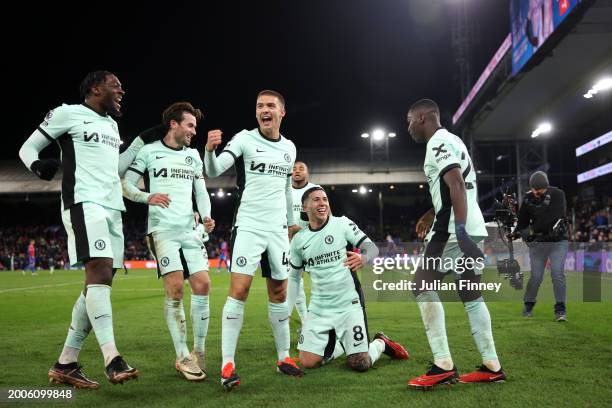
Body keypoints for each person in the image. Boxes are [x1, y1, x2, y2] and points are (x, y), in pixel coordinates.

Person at [19, 70, 164, 389]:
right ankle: (112, 357)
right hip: (84, 202)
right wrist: (37, 165)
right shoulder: (67, 113)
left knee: (99, 283)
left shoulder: (111, 125)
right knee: (98, 272)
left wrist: (142, 139)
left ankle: (65, 363)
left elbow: (116, 169)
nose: (122, 91)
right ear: (96, 88)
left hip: (113, 208)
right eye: (116, 86)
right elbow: (27, 148)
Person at [204, 90, 302, 390]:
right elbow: (213, 170)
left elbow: (287, 189)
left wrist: (290, 224)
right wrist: (209, 150)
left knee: (279, 292)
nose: (264, 110)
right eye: (260, 106)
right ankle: (227, 363)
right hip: (248, 225)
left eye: (270, 105)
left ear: (282, 112)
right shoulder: (244, 139)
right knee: (240, 290)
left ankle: (284, 357)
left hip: (276, 230)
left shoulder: (289, 148)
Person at [406, 99, 505, 389]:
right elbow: (456, 188)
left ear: (422, 117)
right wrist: (429, 213)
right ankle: (491, 365)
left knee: (421, 285)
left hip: (454, 229)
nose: (408, 127)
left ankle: (443, 365)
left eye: (410, 120)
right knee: (470, 293)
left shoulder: (437, 142)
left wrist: (457, 230)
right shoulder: (453, 140)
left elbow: (457, 185)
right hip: (471, 226)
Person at [122, 102, 215, 381]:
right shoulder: (149, 152)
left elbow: (201, 190)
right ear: (173, 124)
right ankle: (182, 355)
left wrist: (207, 216)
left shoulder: (193, 157)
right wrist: (147, 197)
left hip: (189, 230)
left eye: (195, 127)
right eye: (190, 125)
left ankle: (198, 352)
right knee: (175, 290)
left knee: (203, 284)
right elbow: (125, 183)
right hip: (162, 230)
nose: (193, 131)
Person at [288, 186, 409, 371]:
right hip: (319, 308)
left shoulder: (342, 224)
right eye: (316, 199)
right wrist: (288, 307)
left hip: (348, 303)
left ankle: (380, 343)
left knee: (360, 364)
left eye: (325, 199)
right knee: (308, 363)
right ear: (304, 208)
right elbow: (294, 277)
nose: (322, 203)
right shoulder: (299, 240)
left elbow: (373, 249)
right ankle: (344, 344)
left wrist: (363, 258)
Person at [509, 171, 568, 321]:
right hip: (538, 243)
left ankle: (560, 310)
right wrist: (516, 233)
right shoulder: (528, 198)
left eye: (540, 189)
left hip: (558, 241)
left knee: (557, 274)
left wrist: (531, 230)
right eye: (534, 189)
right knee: (536, 276)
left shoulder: (558, 194)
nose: (536, 192)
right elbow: (522, 222)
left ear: (546, 187)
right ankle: (528, 306)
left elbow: (553, 218)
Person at [289, 161, 319, 326]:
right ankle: (305, 321)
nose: (297, 171)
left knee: (321, 282)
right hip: (290, 245)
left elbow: (325, 213)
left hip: (313, 241)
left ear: (307, 173)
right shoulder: (283, 189)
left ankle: (325, 320)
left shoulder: (315, 190)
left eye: (301, 168)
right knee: (296, 282)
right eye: (294, 168)